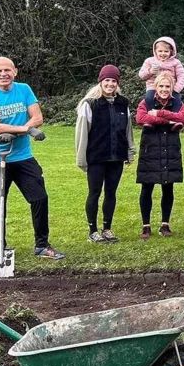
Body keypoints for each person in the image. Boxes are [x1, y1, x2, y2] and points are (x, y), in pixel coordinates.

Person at [0, 56, 64, 260]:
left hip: (23, 157)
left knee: (40, 197)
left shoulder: (24, 89)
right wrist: (26, 129)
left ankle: (42, 245)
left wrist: (15, 132)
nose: (3, 74)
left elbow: (38, 118)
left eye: (7, 70)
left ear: (14, 71)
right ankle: (0, 246)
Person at [75, 65, 135, 243]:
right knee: (94, 192)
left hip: (116, 156)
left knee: (111, 192)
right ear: (100, 82)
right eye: (107, 80)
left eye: (114, 81)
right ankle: (93, 231)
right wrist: (82, 158)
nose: (110, 84)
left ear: (117, 83)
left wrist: (130, 152)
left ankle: (107, 228)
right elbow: (82, 133)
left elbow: (128, 130)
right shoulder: (90, 104)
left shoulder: (123, 103)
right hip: (96, 156)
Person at [135, 71, 184, 239]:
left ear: (172, 88)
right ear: (155, 87)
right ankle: (146, 225)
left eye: (167, 86)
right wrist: (170, 122)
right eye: (161, 86)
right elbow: (140, 118)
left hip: (170, 149)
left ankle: (165, 224)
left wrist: (158, 114)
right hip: (150, 149)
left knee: (168, 187)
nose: (164, 89)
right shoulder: (146, 101)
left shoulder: (177, 102)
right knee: (147, 187)